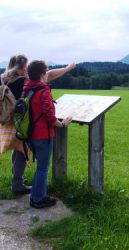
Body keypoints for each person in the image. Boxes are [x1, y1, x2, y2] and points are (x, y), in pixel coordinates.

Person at [1, 54, 75, 195]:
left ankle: (17, 182)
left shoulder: (4, 79)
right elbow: (49, 75)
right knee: (21, 153)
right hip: (22, 122)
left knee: (18, 152)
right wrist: (67, 68)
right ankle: (18, 185)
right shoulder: (24, 81)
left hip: (8, 122)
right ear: (22, 68)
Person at [24, 60, 73, 208]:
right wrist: (64, 123)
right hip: (42, 135)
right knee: (43, 168)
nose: (47, 74)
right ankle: (38, 199)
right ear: (42, 74)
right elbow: (50, 118)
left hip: (30, 134)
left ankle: (37, 195)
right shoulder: (43, 91)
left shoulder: (26, 89)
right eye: (46, 72)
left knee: (41, 167)